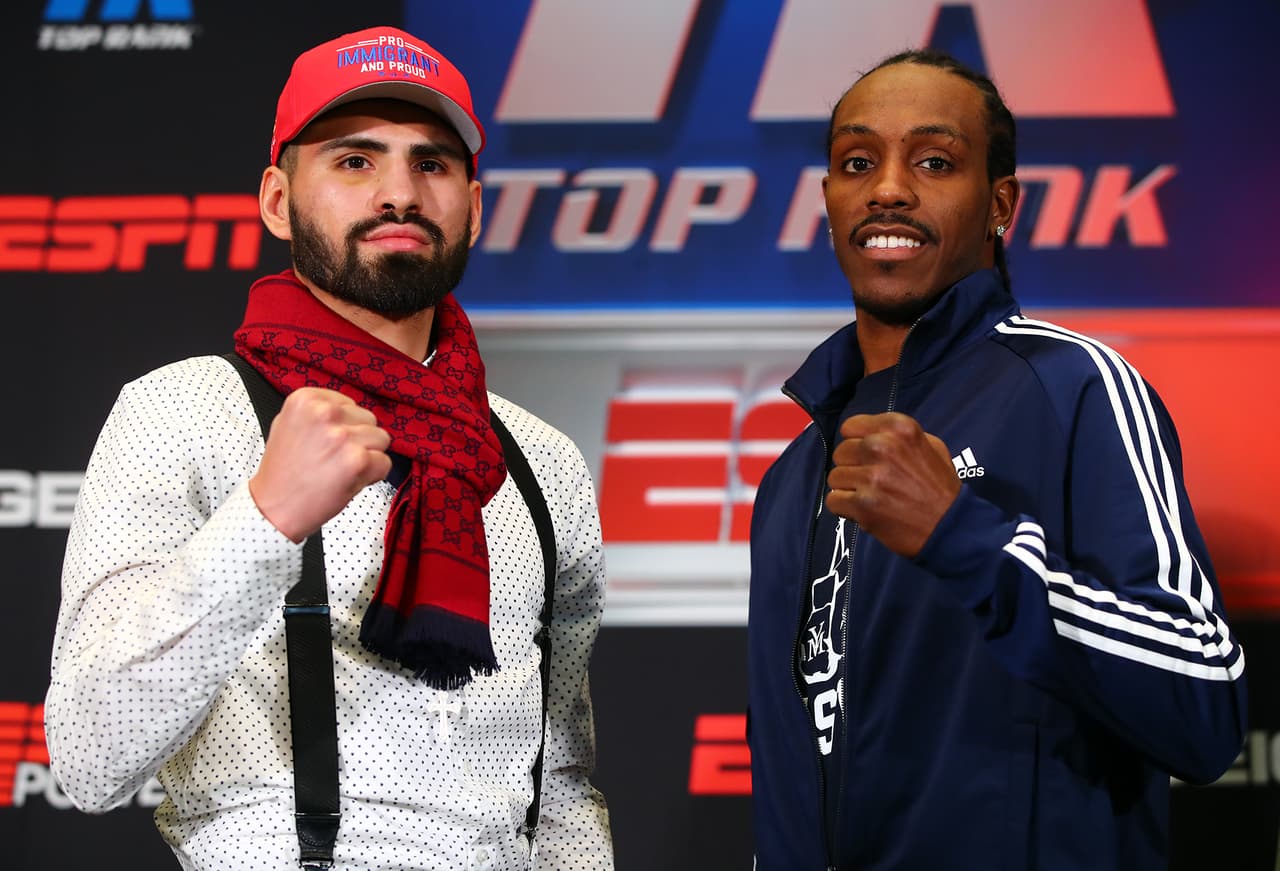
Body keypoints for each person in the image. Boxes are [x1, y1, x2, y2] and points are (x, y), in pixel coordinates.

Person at [45, 26, 612, 870]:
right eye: (354, 161)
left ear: (475, 205)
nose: (399, 193)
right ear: (277, 200)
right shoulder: (184, 410)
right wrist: (264, 522)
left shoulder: (541, 459)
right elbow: (91, 754)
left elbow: (560, 782)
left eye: (432, 163)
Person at [746, 49, 1246, 870]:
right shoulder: (793, 473)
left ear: (1000, 205)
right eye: (857, 162)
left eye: (935, 161)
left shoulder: (1075, 387)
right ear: (830, 200)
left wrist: (963, 537)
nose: (890, 189)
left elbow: (1205, 698)